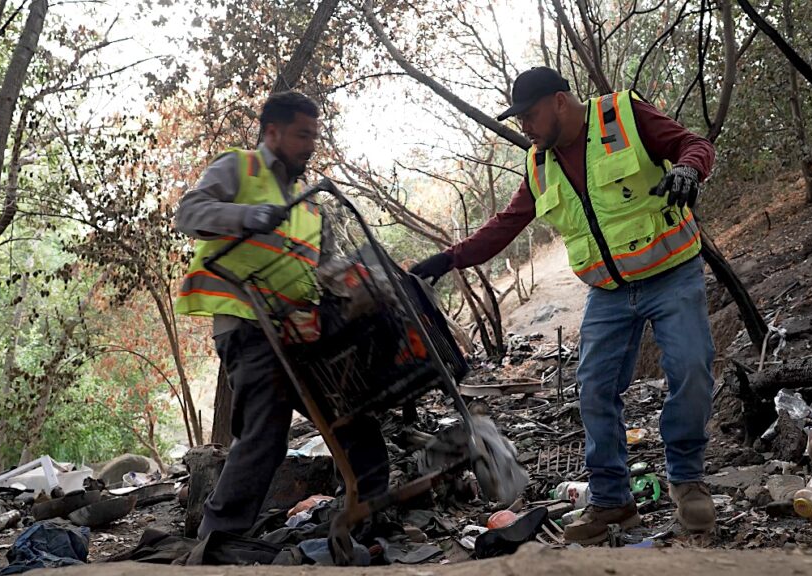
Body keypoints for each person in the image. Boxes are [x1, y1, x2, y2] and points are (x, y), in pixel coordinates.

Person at [411, 68, 717, 543]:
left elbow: (693, 144)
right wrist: (448, 260)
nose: (525, 127)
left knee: (691, 371)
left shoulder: (623, 116)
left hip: (671, 274)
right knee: (593, 390)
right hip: (608, 293)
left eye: (529, 115)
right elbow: (505, 225)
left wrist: (687, 169)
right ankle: (613, 502)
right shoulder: (539, 164)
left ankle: (687, 481)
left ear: (558, 101)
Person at [174, 91, 389, 539]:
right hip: (248, 327)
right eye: (301, 134)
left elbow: (330, 269)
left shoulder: (311, 203)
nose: (311, 143)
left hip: (303, 337)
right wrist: (249, 216)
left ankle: (368, 519)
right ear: (272, 132)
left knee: (353, 418)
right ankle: (217, 543)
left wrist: (368, 286)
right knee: (265, 431)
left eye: (315, 134)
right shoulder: (240, 168)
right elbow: (189, 213)